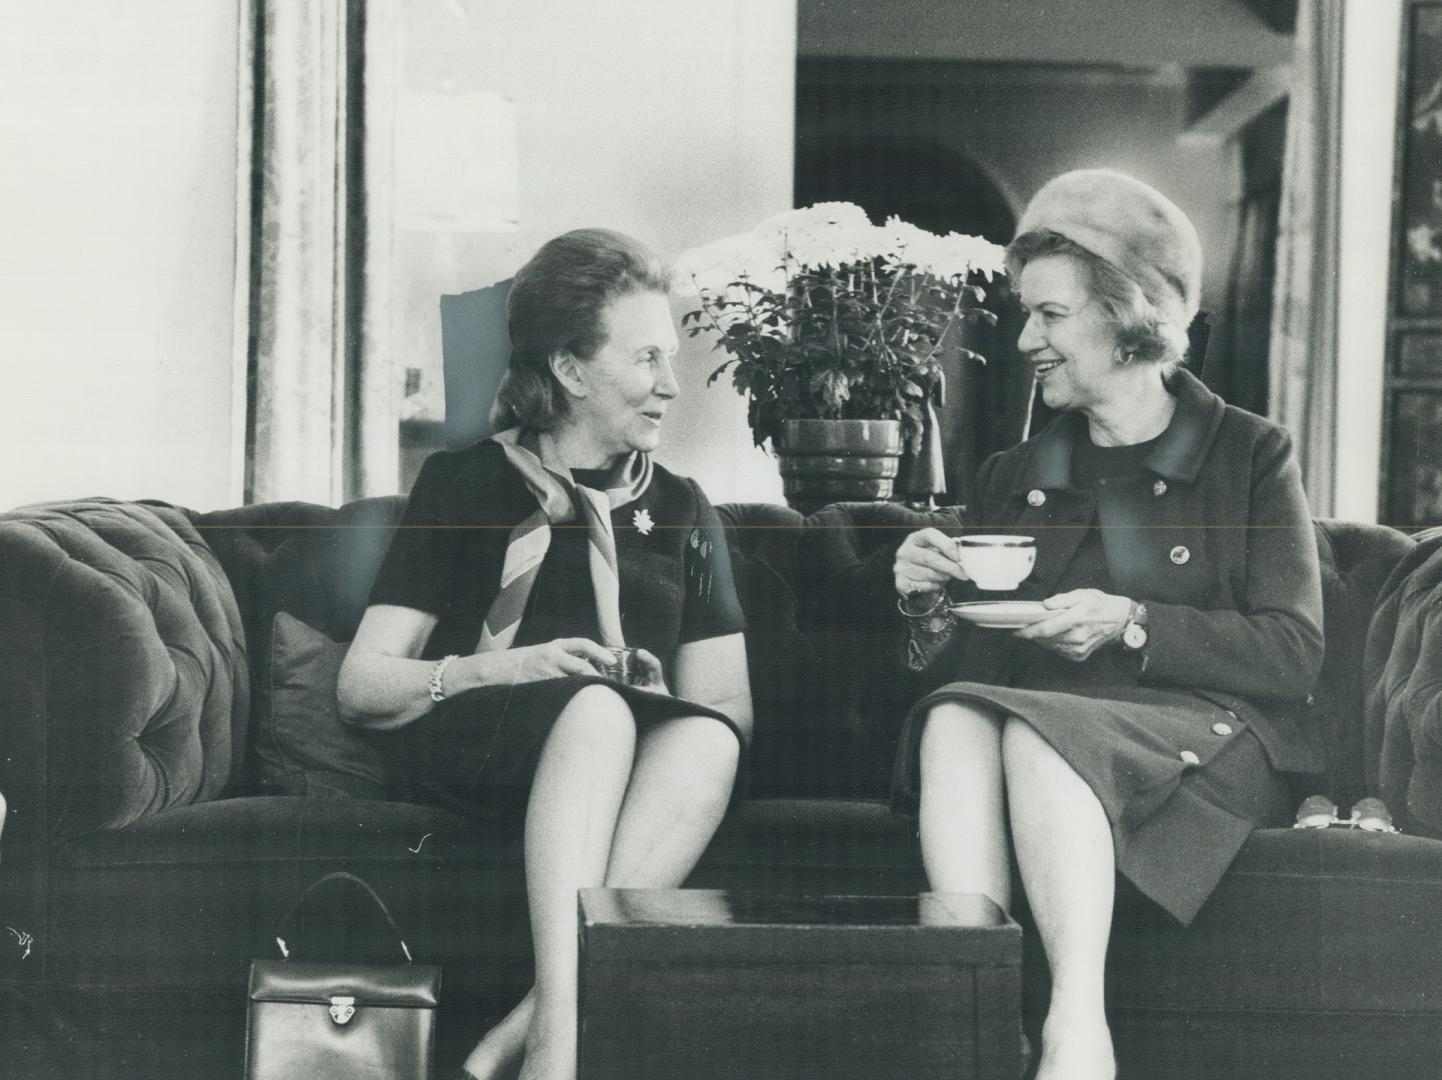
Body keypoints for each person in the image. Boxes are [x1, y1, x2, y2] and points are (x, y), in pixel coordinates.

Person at [890, 170, 1323, 1080]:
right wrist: (925, 603)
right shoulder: (1016, 469)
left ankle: (1074, 1032)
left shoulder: (1250, 452)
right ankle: (981, 1016)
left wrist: (1133, 623)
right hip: (1051, 723)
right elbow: (971, 661)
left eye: (1048, 315)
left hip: (1208, 734)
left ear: (1129, 318)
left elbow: (1293, 651)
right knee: (957, 717)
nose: (1023, 341)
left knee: (1040, 733)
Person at [337, 228, 752, 1080]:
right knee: (593, 710)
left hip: (613, 754)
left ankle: (531, 1026)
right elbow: (362, 684)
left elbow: (728, 705)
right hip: (479, 745)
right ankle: (561, 1049)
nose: (671, 385)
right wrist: (510, 666)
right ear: (569, 369)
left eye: (668, 357)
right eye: (645, 360)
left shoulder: (680, 508)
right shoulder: (465, 486)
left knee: (705, 736)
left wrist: (659, 687)